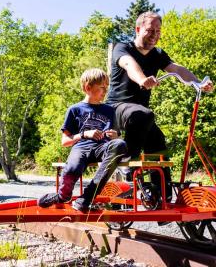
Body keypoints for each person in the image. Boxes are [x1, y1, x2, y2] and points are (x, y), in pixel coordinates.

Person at [106, 11, 213, 201]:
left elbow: (177, 69)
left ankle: (161, 196)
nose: (154, 34)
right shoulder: (122, 48)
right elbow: (129, 64)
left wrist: (198, 83)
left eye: (158, 30)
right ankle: (126, 166)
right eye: (150, 30)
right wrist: (142, 80)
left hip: (139, 115)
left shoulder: (157, 54)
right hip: (116, 108)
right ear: (138, 29)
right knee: (143, 114)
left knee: (157, 141)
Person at [38, 68, 129, 211]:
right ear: (88, 87)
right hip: (81, 147)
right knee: (72, 169)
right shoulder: (75, 109)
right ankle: (62, 196)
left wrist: (116, 136)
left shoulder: (110, 110)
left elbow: (117, 136)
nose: (105, 91)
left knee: (120, 144)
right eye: (101, 88)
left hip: (102, 148)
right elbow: (65, 141)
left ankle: (86, 199)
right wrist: (85, 134)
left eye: (107, 87)